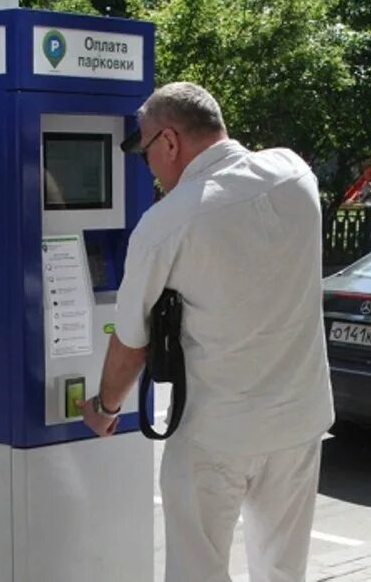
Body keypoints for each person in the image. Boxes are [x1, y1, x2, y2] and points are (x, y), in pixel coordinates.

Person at [78, 82, 334, 582]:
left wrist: (106, 408)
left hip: (218, 433)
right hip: (298, 423)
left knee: (198, 570)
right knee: (283, 571)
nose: (148, 167)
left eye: (147, 151)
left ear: (169, 142)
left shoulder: (167, 223)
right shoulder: (293, 172)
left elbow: (132, 342)